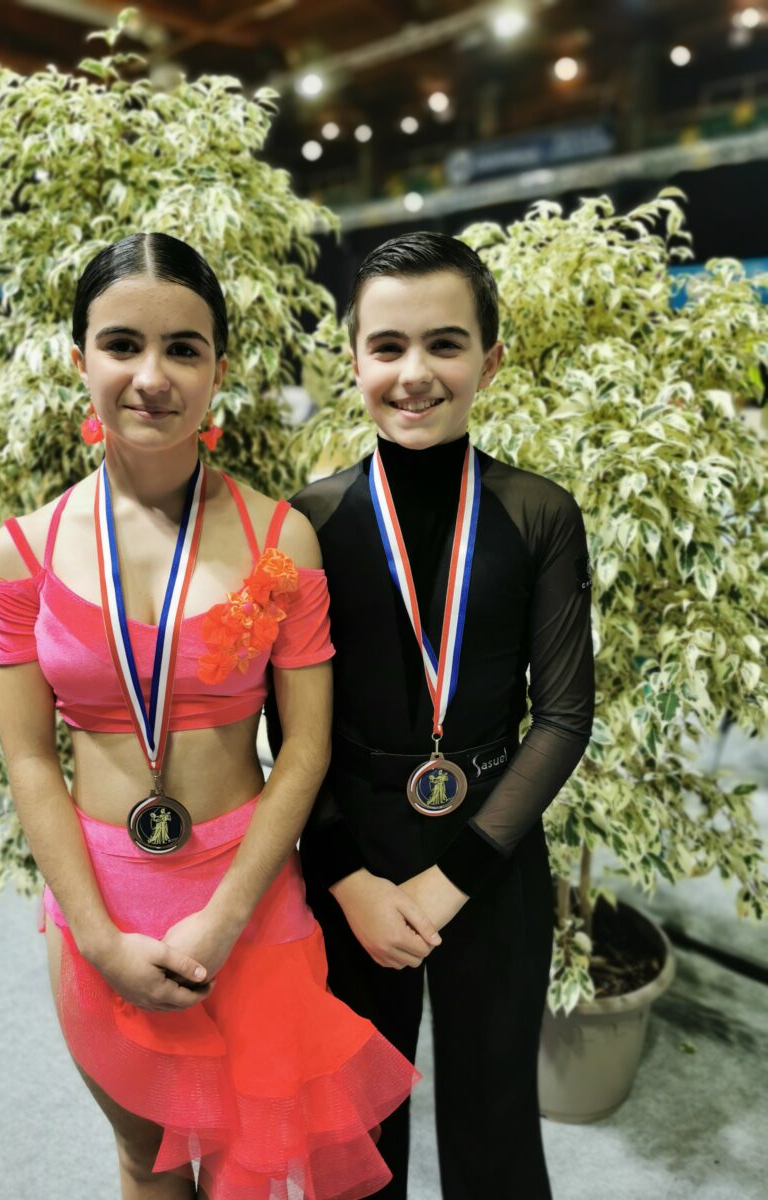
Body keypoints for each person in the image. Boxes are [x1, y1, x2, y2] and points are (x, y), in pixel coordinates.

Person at [0, 233, 417, 1200]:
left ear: (219, 368)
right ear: (78, 358)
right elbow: (27, 761)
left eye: (183, 349)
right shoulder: (22, 555)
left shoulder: (279, 538)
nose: (151, 377)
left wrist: (223, 921)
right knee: (146, 1161)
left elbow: (304, 747)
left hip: (249, 891)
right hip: (102, 900)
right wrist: (96, 936)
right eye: (122, 344)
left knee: (251, 1164)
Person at [286, 232, 595, 1198]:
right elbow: (292, 732)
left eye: (446, 343)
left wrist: (453, 878)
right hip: (354, 861)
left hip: (491, 856)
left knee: (496, 1124)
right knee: (356, 1132)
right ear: (353, 359)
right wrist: (349, 878)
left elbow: (565, 716)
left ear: (490, 360)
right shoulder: (309, 521)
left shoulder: (540, 513)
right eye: (387, 347)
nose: (414, 373)